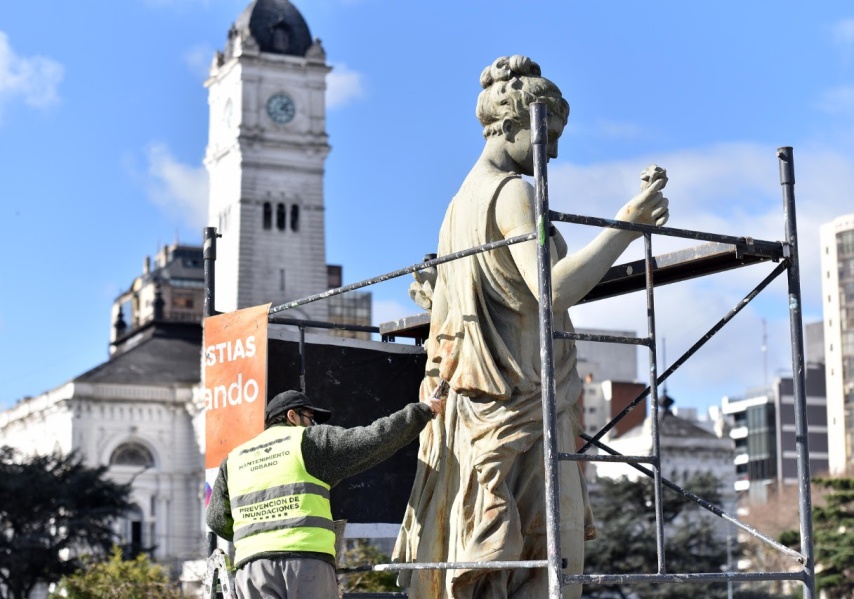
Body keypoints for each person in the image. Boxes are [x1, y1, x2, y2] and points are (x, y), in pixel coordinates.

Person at [393, 55, 670, 598]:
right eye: (553, 133)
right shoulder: (513, 192)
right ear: (519, 124)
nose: (558, 151)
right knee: (548, 569)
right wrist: (625, 226)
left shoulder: (455, 207)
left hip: (479, 414)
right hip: (523, 408)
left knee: (500, 569)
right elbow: (554, 290)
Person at [207, 388, 445, 599]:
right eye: (311, 418)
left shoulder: (234, 459)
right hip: (305, 564)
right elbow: (373, 439)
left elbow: (216, 519)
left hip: (252, 570)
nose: (314, 425)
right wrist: (421, 412)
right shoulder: (307, 442)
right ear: (292, 416)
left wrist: (258, 537)